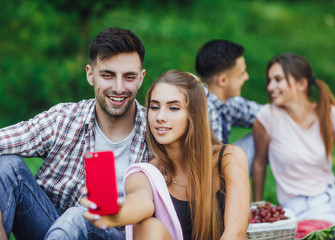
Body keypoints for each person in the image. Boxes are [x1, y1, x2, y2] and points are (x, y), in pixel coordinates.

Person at [0, 27, 151, 240]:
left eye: (129, 77)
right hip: (51, 229)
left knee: (80, 216)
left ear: (141, 78)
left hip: (112, 235)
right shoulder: (65, 118)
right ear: (90, 74)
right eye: (107, 75)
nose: (119, 88)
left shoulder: (155, 130)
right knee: (5, 166)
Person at [79, 70, 251, 239]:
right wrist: (116, 214)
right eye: (154, 107)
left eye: (173, 108)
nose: (160, 117)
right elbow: (141, 202)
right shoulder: (146, 173)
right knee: (149, 227)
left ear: (194, 114)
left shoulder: (229, 158)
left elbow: (235, 233)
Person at [252, 53, 335, 239]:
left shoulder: (332, 114)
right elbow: (259, 163)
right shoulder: (267, 117)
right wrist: (257, 208)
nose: (270, 87)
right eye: (269, 81)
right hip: (303, 211)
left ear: (302, 84)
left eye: (278, 80)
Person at [195, 39, 262, 174]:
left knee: (265, 129)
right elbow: (205, 167)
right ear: (223, 80)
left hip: (217, 169)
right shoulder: (203, 107)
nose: (246, 77)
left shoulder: (225, 100)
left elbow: (264, 114)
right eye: (242, 73)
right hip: (200, 180)